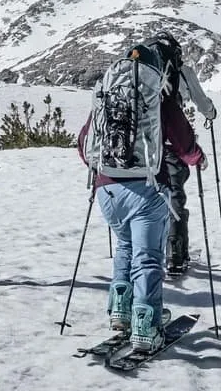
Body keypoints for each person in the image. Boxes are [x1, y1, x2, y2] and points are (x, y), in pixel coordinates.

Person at [79, 43, 205, 352]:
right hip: (146, 191)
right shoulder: (158, 99)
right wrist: (198, 157)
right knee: (148, 258)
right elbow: (185, 145)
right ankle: (146, 324)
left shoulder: (107, 96)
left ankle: (122, 309)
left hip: (106, 189)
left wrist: (105, 173)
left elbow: (84, 143)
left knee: (125, 245)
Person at [145, 31, 217, 279]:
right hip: (171, 145)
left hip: (141, 148)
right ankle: (176, 257)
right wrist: (211, 114)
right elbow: (201, 101)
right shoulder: (182, 73)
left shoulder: (141, 73)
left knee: (145, 203)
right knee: (174, 200)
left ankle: (145, 257)